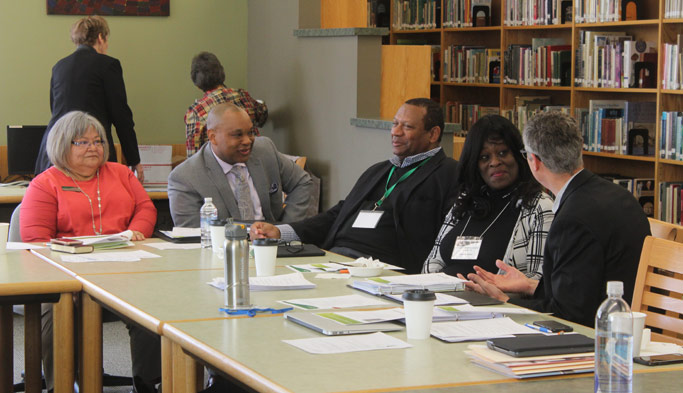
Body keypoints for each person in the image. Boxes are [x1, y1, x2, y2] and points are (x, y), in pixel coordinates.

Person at [464, 111, 650, 327]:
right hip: (629, 326)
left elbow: (566, 314)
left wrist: (504, 302)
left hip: (596, 336)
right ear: (580, 147)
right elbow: (583, 284)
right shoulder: (620, 195)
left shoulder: (572, 219)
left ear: (534, 162)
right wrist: (530, 285)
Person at [21, 111, 158, 392]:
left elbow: (145, 208)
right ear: (61, 145)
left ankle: (147, 382)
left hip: (124, 268)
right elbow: (36, 241)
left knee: (154, 305)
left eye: (98, 141)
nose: (94, 147)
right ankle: (60, 385)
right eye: (82, 142)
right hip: (68, 275)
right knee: (55, 310)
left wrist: (135, 231)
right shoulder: (45, 183)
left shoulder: (120, 173)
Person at [250, 98, 460, 274]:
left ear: (433, 134)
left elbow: (450, 233)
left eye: (407, 127)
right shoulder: (379, 170)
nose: (395, 132)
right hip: (335, 259)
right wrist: (282, 232)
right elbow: (337, 214)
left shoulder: (449, 174)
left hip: (385, 270)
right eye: (395, 123)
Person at [422, 115, 554, 279]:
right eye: (485, 157)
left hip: (494, 302)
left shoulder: (540, 206)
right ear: (474, 164)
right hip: (444, 298)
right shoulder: (465, 201)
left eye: (502, 153)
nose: (495, 162)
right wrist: (433, 287)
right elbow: (433, 260)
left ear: (520, 156)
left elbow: (538, 280)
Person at [35, 15, 144, 182]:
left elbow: (54, 109)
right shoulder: (108, 65)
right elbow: (121, 116)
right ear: (101, 37)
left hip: (54, 153)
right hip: (90, 153)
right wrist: (133, 159)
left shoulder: (59, 67)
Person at [169, 103, 313, 227]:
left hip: (273, 248)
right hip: (223, 253)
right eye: (237, 135)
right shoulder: (185, 177)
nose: (247, 141)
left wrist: (285, 230)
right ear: (213, 137)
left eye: (250, 132)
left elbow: (302, 182)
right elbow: (193, 237)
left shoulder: (264, 150)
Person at [185, 51, 268, 157]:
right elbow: (262, 116)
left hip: (220, 168)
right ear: (221, 73)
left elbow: (193, 156)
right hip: (254, 161)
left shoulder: (197, 111)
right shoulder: (243, 96)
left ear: (197, 83)